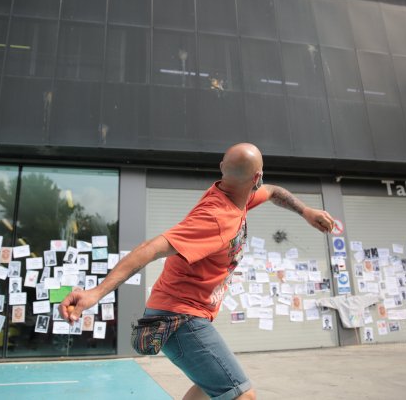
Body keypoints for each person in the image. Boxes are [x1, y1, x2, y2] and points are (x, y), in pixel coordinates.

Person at [60, 143, 335, 400]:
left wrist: (307, 211)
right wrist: (95, 293)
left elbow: (274, 191)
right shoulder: (215, 218)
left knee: (207, 387)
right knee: (242, 395)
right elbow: (149, 248)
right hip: (179, 317)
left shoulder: (239, 198)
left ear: (221, 167)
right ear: (256, 177)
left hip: (186, 313)